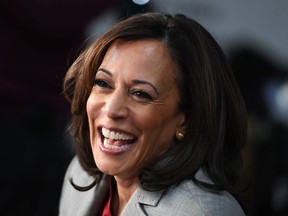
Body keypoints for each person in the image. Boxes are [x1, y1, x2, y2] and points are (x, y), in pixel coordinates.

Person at [59, 12, 247, 215]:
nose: (111, 109)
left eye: (141, 94)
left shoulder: (201, 212)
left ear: (186, 120)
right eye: (103, 83)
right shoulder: (80, 174)